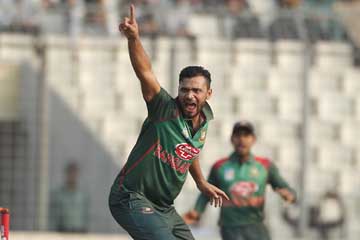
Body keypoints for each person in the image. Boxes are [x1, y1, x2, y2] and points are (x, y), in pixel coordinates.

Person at [108, 4, 229, 240]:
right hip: (131, 196)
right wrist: (134, 39)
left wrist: (201, 182)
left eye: (196, 90)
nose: (189, 95)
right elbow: (145, 72)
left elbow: (188, 151)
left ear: (209, 94)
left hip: (163, 207)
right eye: (184, 90)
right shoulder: (163, 108)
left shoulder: (203, 122)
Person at [183, 121, 297, 240]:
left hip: (256, 227)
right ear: (232, 139)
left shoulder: (265, 166)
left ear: (253, 139)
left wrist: (289, 196)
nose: (242, 139)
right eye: (238, 135)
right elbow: (206, 193)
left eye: (246, 135)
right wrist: (196, 211)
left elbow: (286, 189)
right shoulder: (219, 166)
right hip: (230, 228)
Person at [49, 161, 90, 232]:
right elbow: (53, 216)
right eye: (70, 172)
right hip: (63, 231)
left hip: (79, 231)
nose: (72, 175)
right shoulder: (58, 194)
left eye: (74, 173)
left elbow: (86, 215)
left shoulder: (83, 194)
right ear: (66, 174)